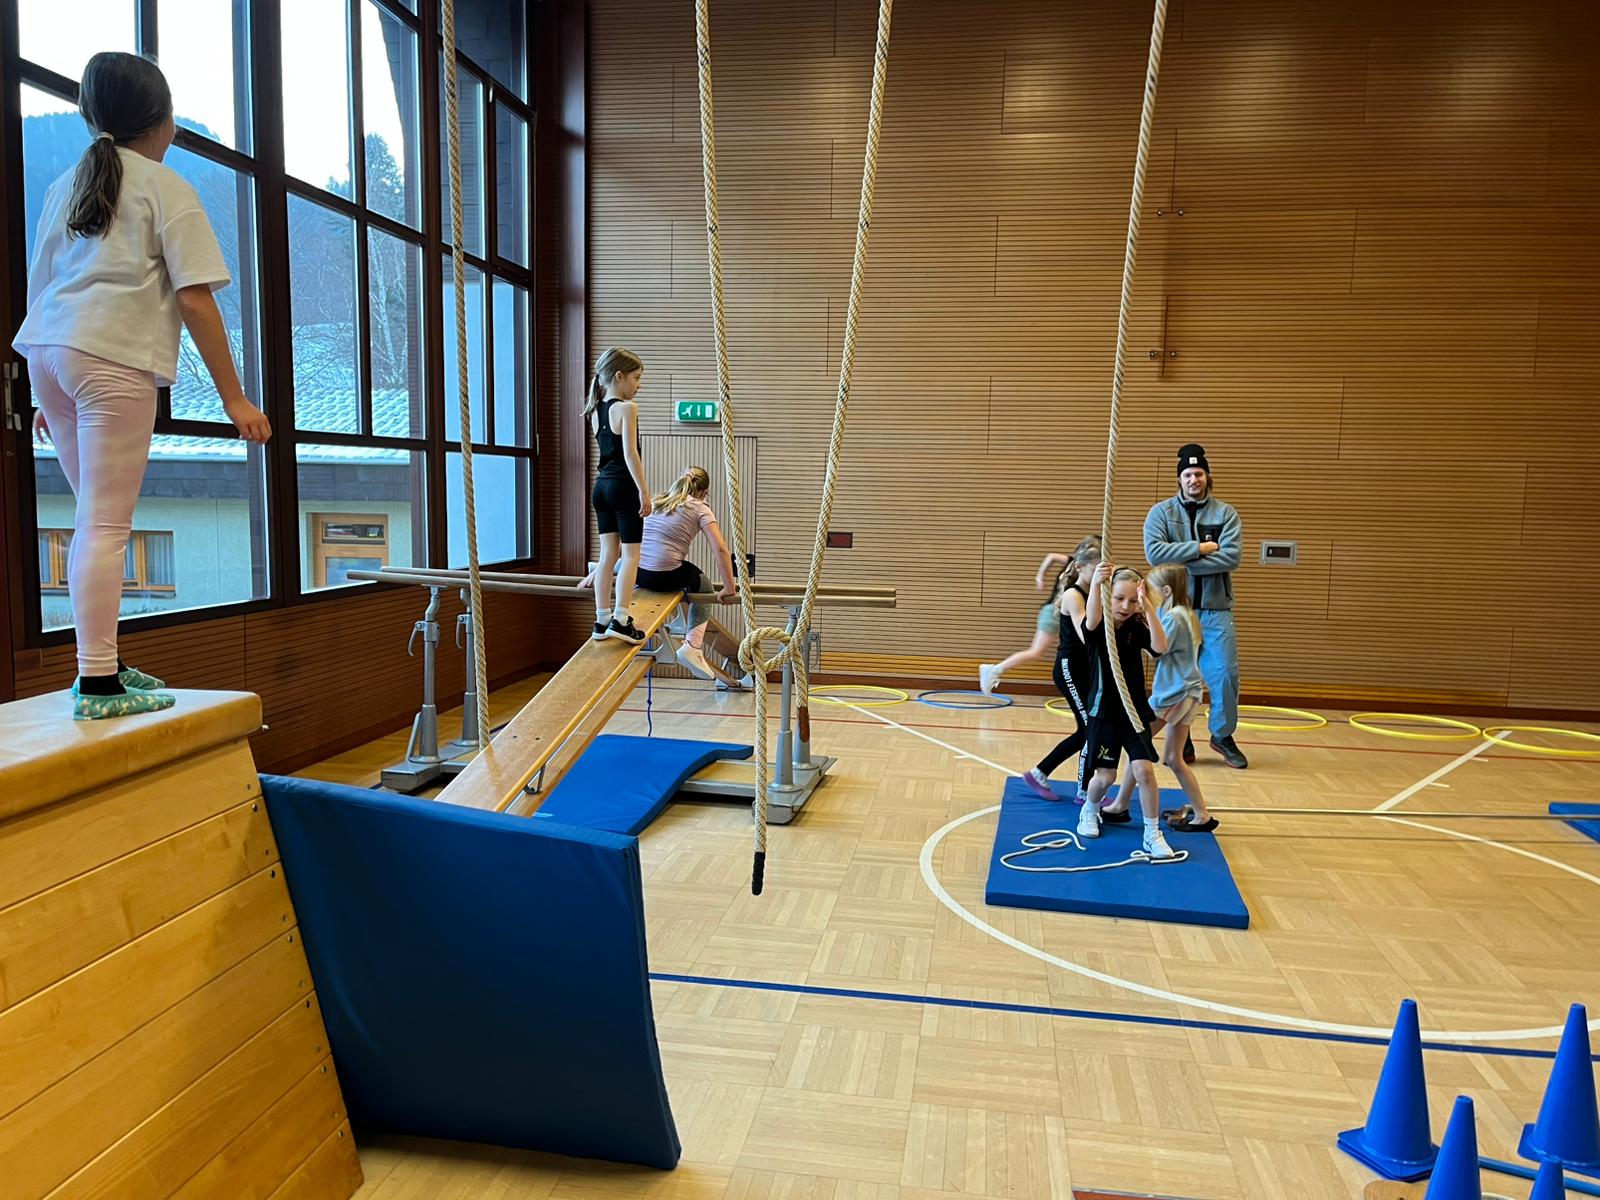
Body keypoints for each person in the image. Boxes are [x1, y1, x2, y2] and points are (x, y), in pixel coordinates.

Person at [14, 52, 271, 721]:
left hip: (50, 355)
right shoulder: (164, 186)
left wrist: (46, 394)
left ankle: (103, 660)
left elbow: (42, 288)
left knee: (93, 520)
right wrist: (235, 398)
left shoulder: (66, 184)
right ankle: (98, 681)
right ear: (163, 122)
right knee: (104, 524)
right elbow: (195, 300)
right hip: (109, 358)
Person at [590, 464, 750, 688]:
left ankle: (602, 570)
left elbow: (629, 539)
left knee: (630, 559)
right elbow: (720, 549)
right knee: (704, 584)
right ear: (704, 492)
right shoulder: (701, 508)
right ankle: (692, 646)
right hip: (664, 576)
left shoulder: (657, 501)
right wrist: (729, 586)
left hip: (637, 573)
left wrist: (603, 568)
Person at [1143, 443, 1248, 769]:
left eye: (1199, 474)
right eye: (1187, 474)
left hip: (1216, 610)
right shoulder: (1161, 513)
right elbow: (1154, 554)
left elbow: (1231, 558)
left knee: (1225, 674)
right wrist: (1201, 548)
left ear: (1207, 477)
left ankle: (1222, 735)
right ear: (1179, 479)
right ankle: (1181, 737)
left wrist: (1181, 560)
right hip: (1175, 610)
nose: (1193, 480)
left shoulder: (1226, 514)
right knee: (1174, 677)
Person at [1074, 563, 1178, 862]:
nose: (1125, 606)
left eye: (1132, 600)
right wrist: (1097, 584)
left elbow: (1160, 647)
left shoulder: (1136, 626)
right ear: (1109, 596)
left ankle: (1152, 832)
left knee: (1144, 770)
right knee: (1105, 777)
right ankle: (1090, 809)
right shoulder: (1099, 627)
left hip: (1133, 712)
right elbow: (1092, 620)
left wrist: (1148, 607)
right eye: (1119, 598)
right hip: (1103, 712)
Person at [1019, 536, 1101, 801]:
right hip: (1070, 669)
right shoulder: (1073, 595)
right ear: (1080, 567)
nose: (1100, 574)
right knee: (1090, 730)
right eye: (1095, 568)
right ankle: (1085, 790)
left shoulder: (1093, 593)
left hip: (1084, 669)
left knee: (1087, 730)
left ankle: (1040, 773)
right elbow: (1086, 633)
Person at [1144, 564, 1216, 833]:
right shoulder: (1185, 613)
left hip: (1174, 693)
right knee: (1174, 758)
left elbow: (1157, 650)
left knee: (1137, 743)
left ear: (1166, 590)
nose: (1149, 596)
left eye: (1151, 591)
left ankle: (1119, 804)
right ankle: (1202, 814)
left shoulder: (1173, 617)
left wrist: (1144, 618)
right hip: (1189, 691)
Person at [586, 346, 649, 645]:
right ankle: (621, 619)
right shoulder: (627, 408)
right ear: (619, 376)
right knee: (631, 555)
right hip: (623, 486)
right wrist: (644, 491)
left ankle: (602, 619)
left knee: (607, 555)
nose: (639, 385)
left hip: (601, 488)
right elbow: (630, 454)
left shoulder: (594, 410)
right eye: (637, 378)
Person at [979, 549, 1079, 695]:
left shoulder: (1075, 564)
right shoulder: (1079, 566)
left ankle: (994, 670)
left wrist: (1040, 577)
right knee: (1036, 652)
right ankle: (994, 670)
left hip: (1058, 613)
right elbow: (1051, 556)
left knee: (1072, 650)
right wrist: (1039, 576)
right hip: (1054, 613)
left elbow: (1051, 556)